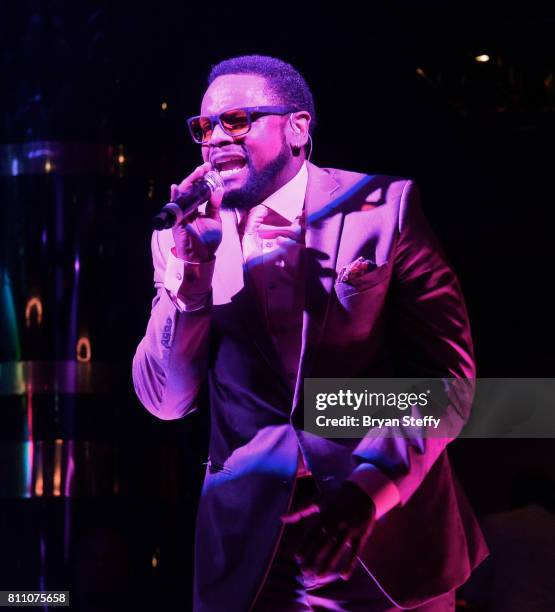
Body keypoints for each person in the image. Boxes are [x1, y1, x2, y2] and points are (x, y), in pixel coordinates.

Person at [133, 55, 488, 611]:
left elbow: (448, 380)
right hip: (251, 547)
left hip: (383, 531)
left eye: (236, 121)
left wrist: (367, 494)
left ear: (298, 128)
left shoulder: (383, 209)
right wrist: (190, 281)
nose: (214, 139)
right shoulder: (185, 237)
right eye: (204, 127)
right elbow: (166, 401)